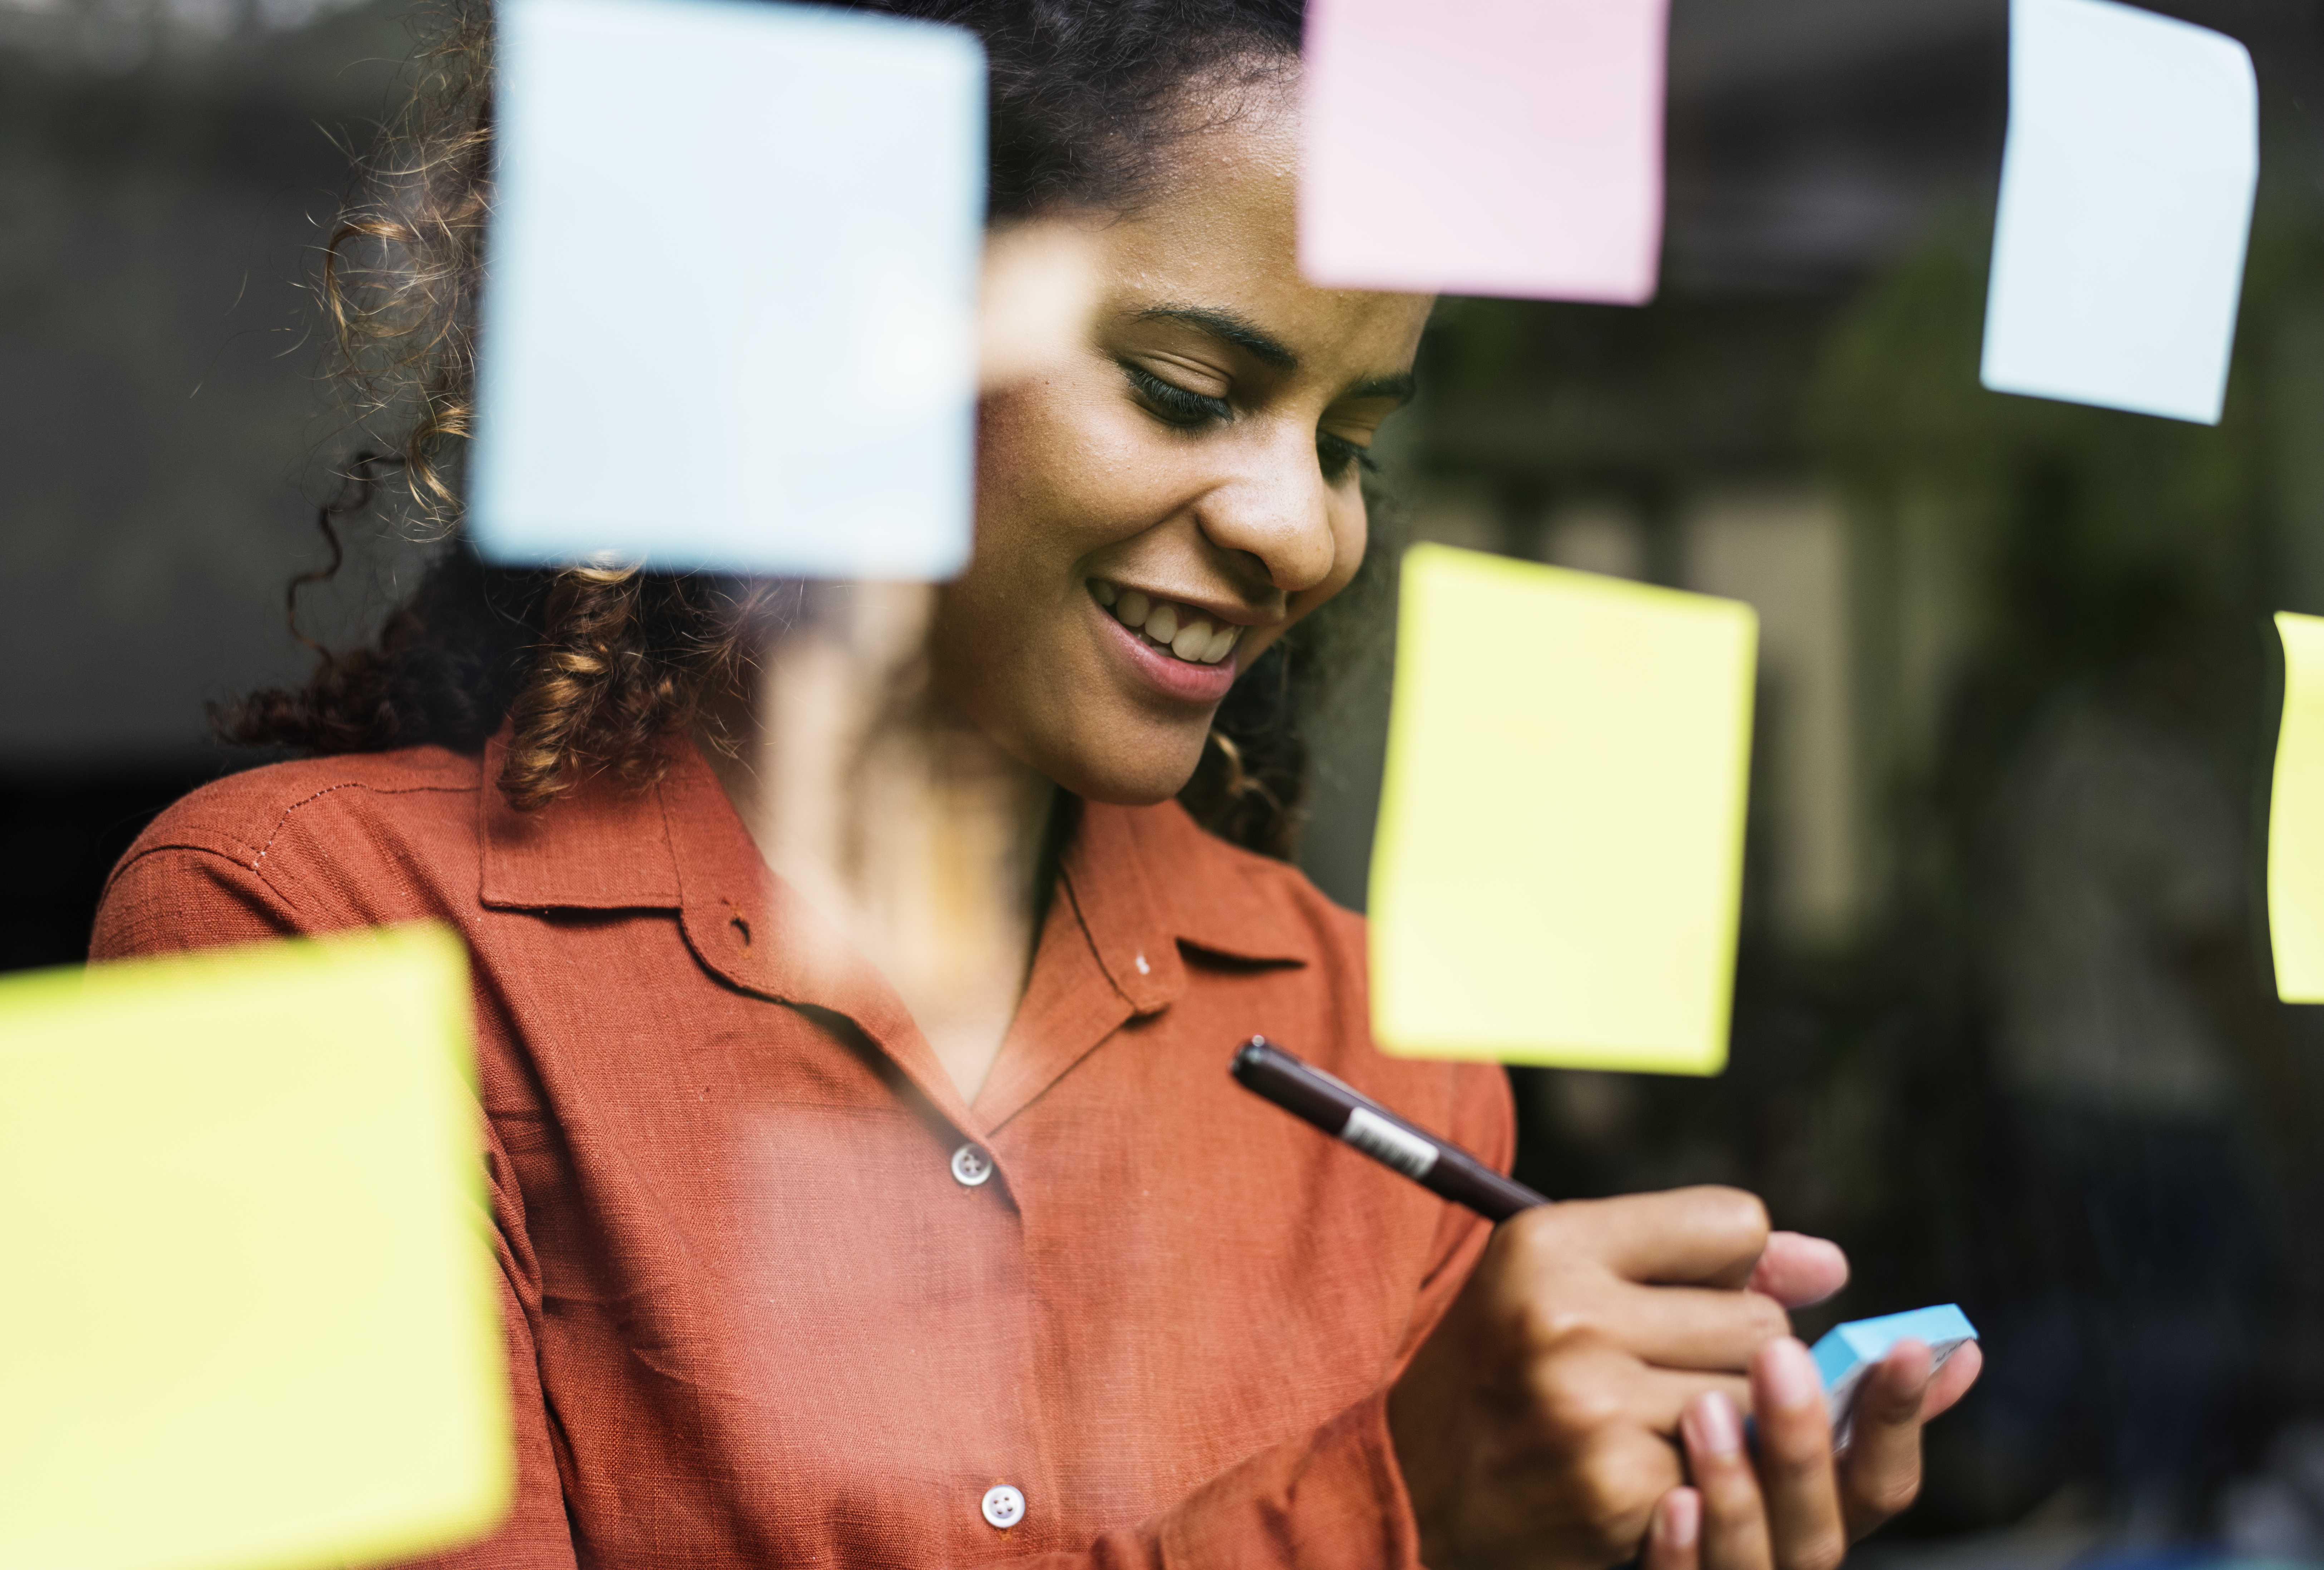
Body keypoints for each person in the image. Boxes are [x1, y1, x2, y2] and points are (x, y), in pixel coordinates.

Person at [92, 3, 1978, 1565]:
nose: (1298, 525)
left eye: (1350, 441)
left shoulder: (1368, 1028)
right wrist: (1388, 1504)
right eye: (1180, 388)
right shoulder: (273, 947)